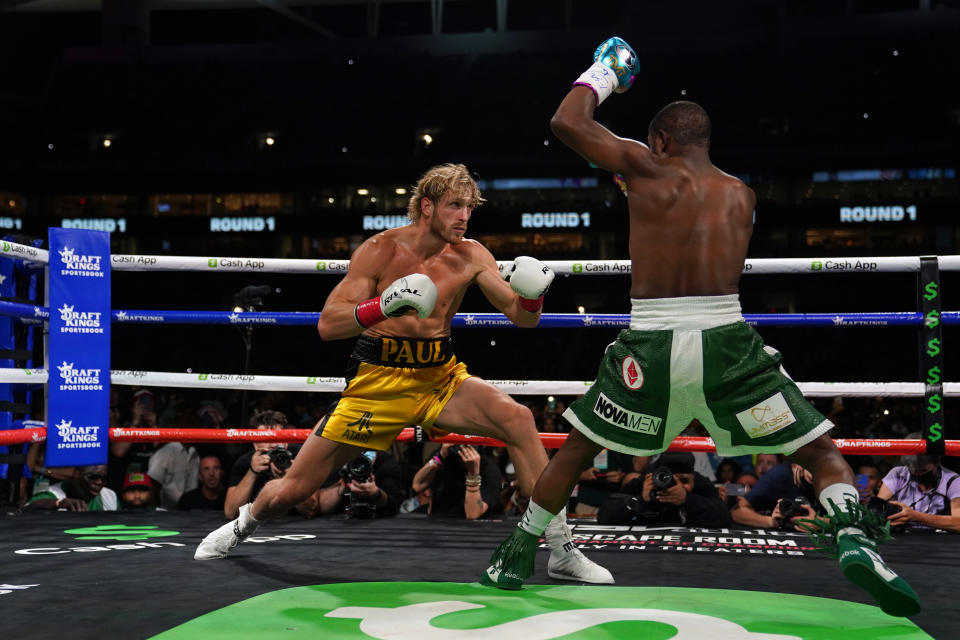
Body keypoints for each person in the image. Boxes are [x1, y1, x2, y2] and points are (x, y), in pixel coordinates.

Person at [484, 37, 919, 616]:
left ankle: (517, 552)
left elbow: (567, 121)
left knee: (577, 450)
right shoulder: (742, 195)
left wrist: (608, 72)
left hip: (652, 344)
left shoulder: (644, 166)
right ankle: (852, 537)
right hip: (728, 343)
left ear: (659, 141)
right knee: (820, 452)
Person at [196, 163, 611, 585]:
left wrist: (534, 296)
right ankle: (243, 523)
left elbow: (522, 320)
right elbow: (328, 324)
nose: (464, 216)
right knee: (293, 491)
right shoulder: (381, 250)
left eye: (469, 207)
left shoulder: (472, 255)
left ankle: (561, 548)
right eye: (454, 206)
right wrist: (383, 305)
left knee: (519, 419)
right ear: (426, 206)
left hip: (440, 377)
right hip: (377, 383)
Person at [597, 452, 732, 528]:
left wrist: (687, 499)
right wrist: (641, 501)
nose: (676, 486)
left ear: (693, 479)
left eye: (684, 481)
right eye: (669, 479)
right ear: (657, 477)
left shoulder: (700, 483)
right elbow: (604, 515)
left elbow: (725, 519)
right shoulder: (646, 482)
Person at [223, 410, 311, 519]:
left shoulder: (301, 455)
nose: (272, 444)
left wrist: (290, 478)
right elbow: (230, 513)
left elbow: (311, 509)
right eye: (266, 439)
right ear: (255, 444)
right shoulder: (245, 462)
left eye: (277, 438)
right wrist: (252, 472)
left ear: (286, 441)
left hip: (297, 523)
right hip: (259, 525)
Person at [876, 447, 960, 533]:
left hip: (938, 538)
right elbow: (876, 510)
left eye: (923, 470)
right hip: (901, 536)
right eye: (913, 470)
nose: (918, 475)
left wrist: (917, 517)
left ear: (936, 462)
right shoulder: (899, 474)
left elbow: (958, 524)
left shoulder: (954, 481)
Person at [302, 449, 404, 518]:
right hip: (339, 524)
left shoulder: (387, 464)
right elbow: (320, 506)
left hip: (380, 522)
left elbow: (393, 504)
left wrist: (376, 493)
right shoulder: (339, 462)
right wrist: (344, 481)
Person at [411, 444, 502, 519]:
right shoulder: (444, 459)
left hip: (472, 532)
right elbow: (417, 485)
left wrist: (473, 474)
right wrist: (440, 457)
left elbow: (472, 514)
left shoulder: (489, 470)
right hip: (439, 525)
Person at [24, 464, 118, 511]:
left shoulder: (109, 495)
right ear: (77, 474)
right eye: (93, 477)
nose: (99, 482)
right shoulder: (53, 493)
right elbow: (27, 509)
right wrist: (59, 503)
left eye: (104, 478)